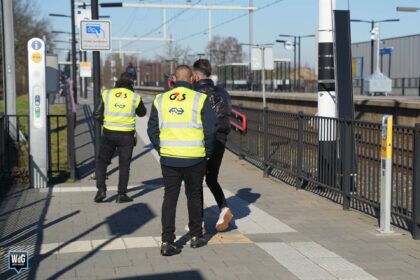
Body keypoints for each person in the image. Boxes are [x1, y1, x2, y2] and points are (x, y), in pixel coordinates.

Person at [147, 65, 216, 256]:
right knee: (194, 196)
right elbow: (210, 130)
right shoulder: (200, 99)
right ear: (193, 78)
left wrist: (162, 149)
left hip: (169, 158)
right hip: (195, 158)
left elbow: (151, 129)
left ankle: (167, 241)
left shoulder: (160, 100)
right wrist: (207, 152)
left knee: (170, 198)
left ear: (174, 79)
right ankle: (195, 237)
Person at [192, 59, 234, 232]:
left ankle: (199, 222)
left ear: (195, 75)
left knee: (196, 181)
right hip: (221, 140)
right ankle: (224, 208)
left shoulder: (194, 93)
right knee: (211, 178)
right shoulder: (223, 92)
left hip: (201, 141)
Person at [93, 73, 147, 203]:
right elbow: (142, 113)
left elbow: (96, 114)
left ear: (117, 85)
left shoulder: (107, 94)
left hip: (109, 133)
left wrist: (105, 123)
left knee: (102, 162)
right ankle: (121, 194)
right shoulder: (135, 97)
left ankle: (101, 190)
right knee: (124, 165)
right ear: (131, 86)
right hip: (126, 135)